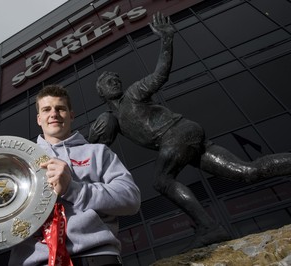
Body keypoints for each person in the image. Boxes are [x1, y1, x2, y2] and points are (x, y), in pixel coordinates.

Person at [89, 12, 291, 249]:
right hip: (184, 140)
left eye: (115, 78)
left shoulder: (133, 94)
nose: (114, 80)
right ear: (101, 93)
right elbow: (95, 147)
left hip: (177, 133)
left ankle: (209, 227)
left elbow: (160, 74)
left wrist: (167, 40)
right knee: (247, 171)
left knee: (162, 180)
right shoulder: (112, 119)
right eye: (107, 80)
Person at [0, 85, 141, 266]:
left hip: (95, 256)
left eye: (61, 108)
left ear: (71, 114)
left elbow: (130, 199)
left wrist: (73, 188)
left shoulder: (97, 153)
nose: (54, 114)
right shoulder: (14, 160)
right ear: (39, 118)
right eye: (47, 109)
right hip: (33, 260)